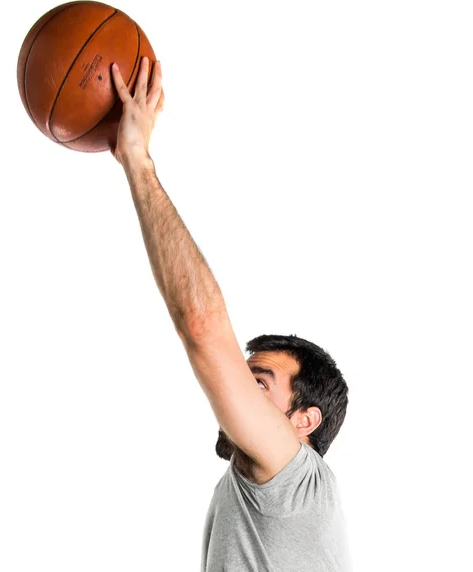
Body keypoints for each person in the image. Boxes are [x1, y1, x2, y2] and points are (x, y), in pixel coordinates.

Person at [109, 57, 352, 572]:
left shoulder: (292, 479)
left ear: (305, 421)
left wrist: (137, 159)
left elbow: (202, 326)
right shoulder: (249, 490)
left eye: (259, 381)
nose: (237, 384)